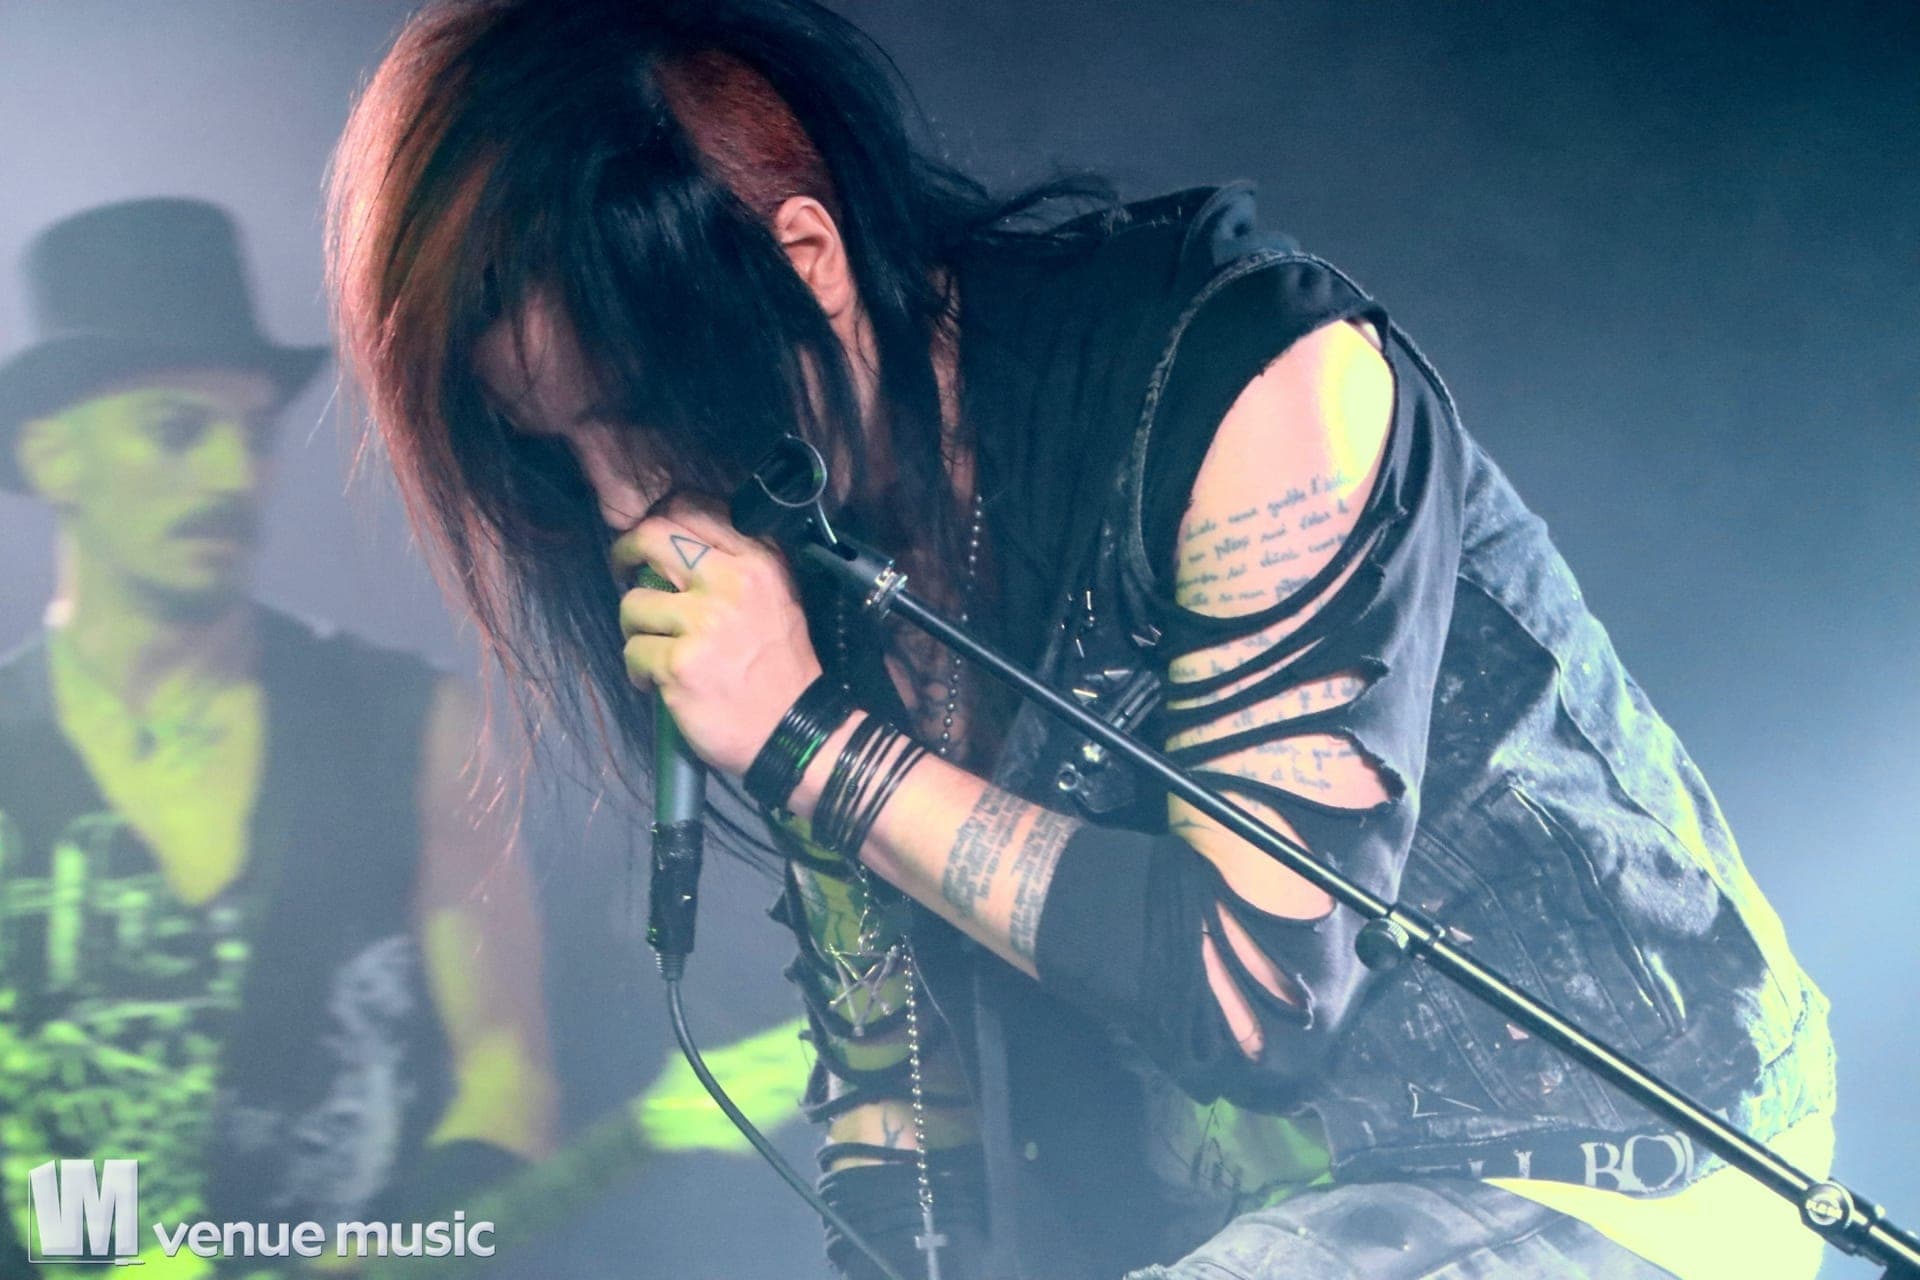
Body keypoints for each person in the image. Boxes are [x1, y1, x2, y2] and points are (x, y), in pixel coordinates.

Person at [326, 3, 1837, 1278]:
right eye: (561, 454)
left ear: (805, 262)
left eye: (645, 417)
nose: (628, 512)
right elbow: (899, 1107)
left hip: (1599, 1152)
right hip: (1259, 1221)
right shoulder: (796, 569)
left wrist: (804, 738)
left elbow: (1257, 990)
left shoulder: (1249, 377)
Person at [0, 198, 556, 1271]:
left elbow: (508, 1072)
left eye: (252, 436)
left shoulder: (409, 724)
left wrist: (395, 1244)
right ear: (54, 455)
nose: (231, 476)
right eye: (176, 429)